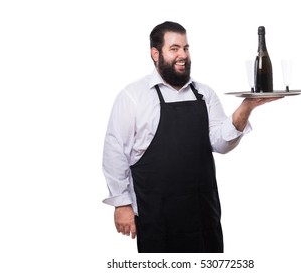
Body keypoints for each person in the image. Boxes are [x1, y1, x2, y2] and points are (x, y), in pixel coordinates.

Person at [102, 21, 280, 253]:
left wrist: (246, 108)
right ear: (155, 54)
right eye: (174, 48)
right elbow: (114, 153)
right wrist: (122, 204)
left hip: (203, 213)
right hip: (157, 215)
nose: (183, 55)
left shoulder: (204, 93)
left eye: (186, 48)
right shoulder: (133, 96)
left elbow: (220, 143)